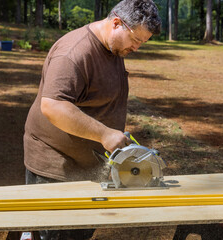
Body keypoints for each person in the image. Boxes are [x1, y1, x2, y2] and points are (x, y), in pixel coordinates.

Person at [23, 0, 161, 239]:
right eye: (136, 40)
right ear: (116, 22)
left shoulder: (112, 45)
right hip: (56, 168)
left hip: (87, 163)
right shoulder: (74, 52)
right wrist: (104, 134)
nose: (137, 48)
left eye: (142, 42)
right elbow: (53, 105)